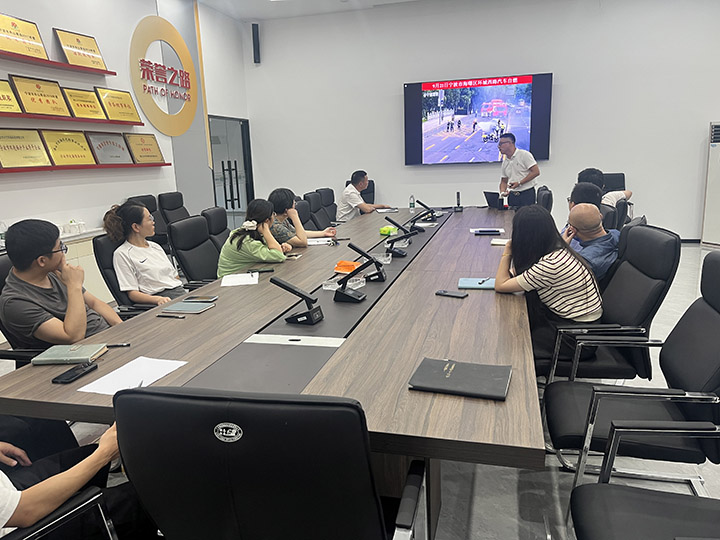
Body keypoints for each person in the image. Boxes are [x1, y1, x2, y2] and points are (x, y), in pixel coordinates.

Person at [0, 424, 157, 538]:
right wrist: (104, 454)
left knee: (88, 454)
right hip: (19, 522)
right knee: (148, 495)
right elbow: (26, 511)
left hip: (8, 492)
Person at [495, 206, 602, 355]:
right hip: (577, 326)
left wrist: (508, 250)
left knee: (512, 339)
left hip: (576, 338)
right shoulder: (558, 251)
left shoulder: (551, 264)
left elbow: (500, 285)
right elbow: (519, 273)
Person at [0, 219, 121, 349]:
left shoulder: (53, 272)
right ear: (42, 261)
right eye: (60, 248)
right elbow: (73, 337)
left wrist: (122, 328)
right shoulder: (15, 303)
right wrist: (74, 286)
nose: (63, 253)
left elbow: (94, 303)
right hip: (82, 352)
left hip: (108, 339)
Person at [103, 201, 185, 306]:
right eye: (149, 218)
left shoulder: (155, 246)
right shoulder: (122, 254)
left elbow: (175, 276)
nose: (153, 222)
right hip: (160, 300)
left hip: (180, 293)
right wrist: (157, 299)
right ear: (136, 227)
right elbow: (133, 293)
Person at [217, 199, 289, 277]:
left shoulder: (247, 231)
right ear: (267, 220)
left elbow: (269, 249)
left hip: (243, 274)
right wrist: (266, 230)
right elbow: (279, 256)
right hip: (230, 280)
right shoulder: (247, 241)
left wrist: (280, 247)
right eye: (273, 214)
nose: (274, 217)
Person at [562, 204, 620, 281]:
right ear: (601, 216)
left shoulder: (584, 261)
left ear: (572, 229)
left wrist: (562, 248)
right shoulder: (618, 234)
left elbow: (562, 279)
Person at [267, 188, 336, 247]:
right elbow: (302, 242)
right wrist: (295, 217)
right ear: (286, 210)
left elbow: (297, 233)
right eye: (294, 203)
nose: (295, 205)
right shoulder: (275, 226)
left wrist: (323, 233)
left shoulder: (281, 219)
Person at [498, 133, 540, 207]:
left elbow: (536, 172)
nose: (499, 146)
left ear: (509, 143)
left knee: (527, 214)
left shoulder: (524, 155)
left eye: (501, 144)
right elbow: (504, 181)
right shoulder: (505, 161)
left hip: (526, 194)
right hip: (512, 196)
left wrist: (519, 183)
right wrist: (502, 192)